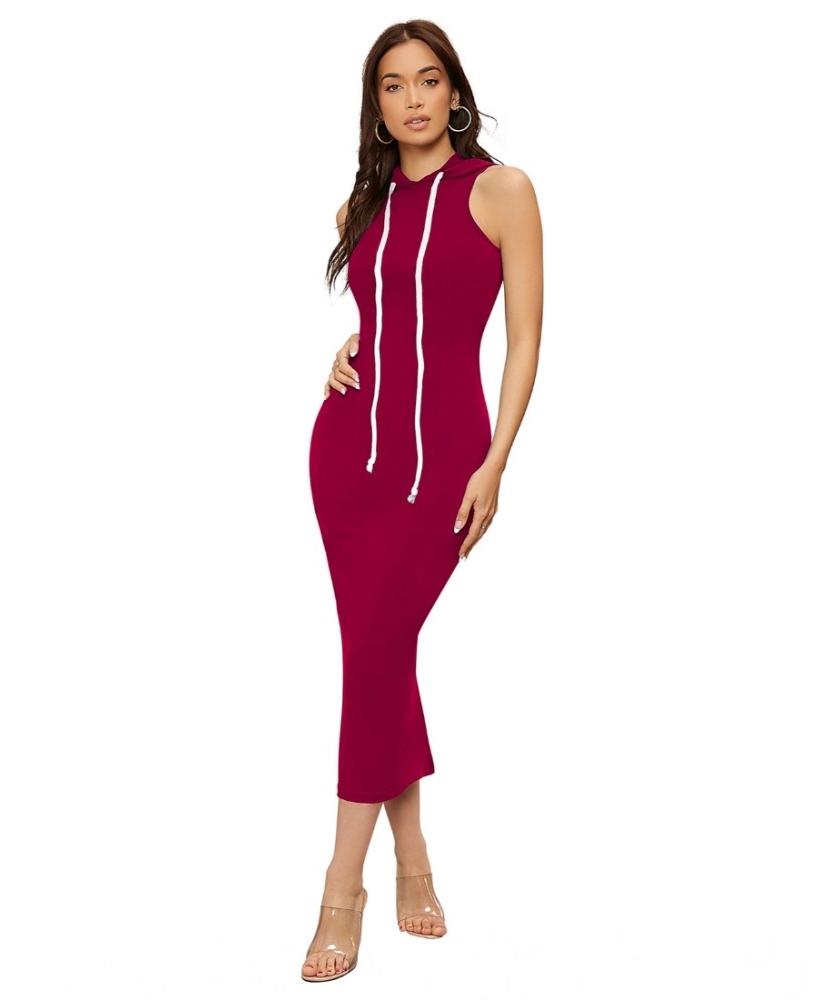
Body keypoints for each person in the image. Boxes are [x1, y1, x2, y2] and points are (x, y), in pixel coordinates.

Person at [302, 19, 542, 982]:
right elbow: (382, 319)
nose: (413, 99)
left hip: (443, 466)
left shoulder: (502, 191)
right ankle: (410, 860)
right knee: (378, 654)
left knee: (375, 653)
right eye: (393, 85)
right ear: (376, 106)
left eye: (428, 80)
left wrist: (496, 463)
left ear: (454, 92)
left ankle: (339, 887)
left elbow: (524, 338)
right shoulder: (359, 207)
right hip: (345, 459)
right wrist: (345, 352)